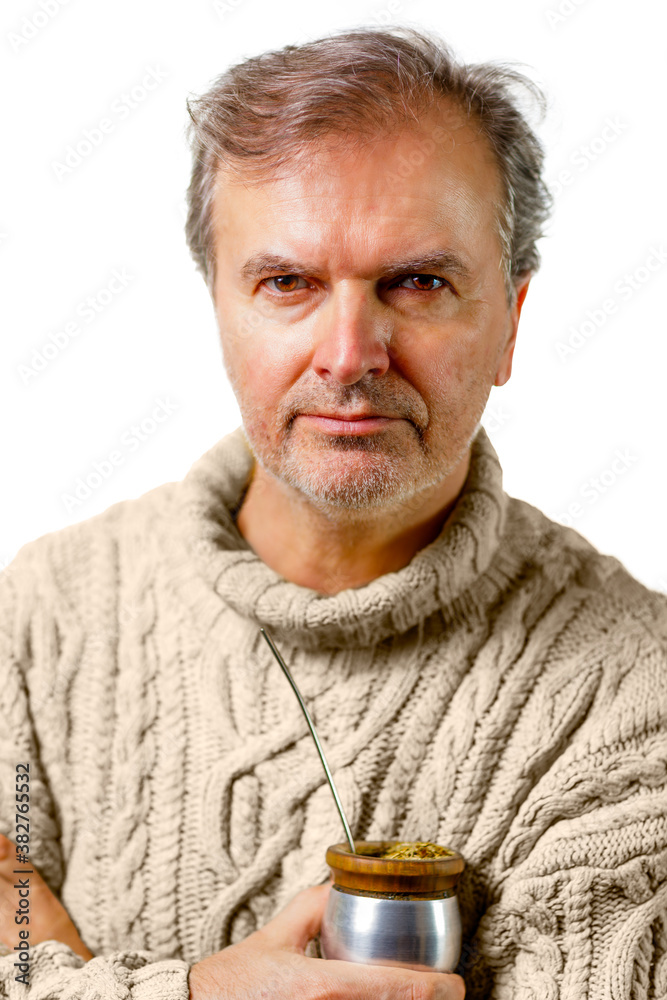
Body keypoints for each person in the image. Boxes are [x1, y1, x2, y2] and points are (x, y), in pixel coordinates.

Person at [1, 24, 666, 1000]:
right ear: (219, 312)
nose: (350, 353)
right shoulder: (39, 616)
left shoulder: (634, 694)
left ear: (510, 325)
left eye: (418, 282)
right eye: (287, 283)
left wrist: (78, 977)